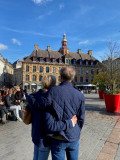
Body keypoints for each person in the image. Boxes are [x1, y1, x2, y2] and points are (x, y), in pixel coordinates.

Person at [28, 67, 85, 160]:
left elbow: (40, 105)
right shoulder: (80, 95)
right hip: (74, 136)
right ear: (73, 78)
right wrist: (76, 130)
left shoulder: (53, 91)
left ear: (61, 77)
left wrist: (30, 98)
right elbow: (81, 118)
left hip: (59, 136)